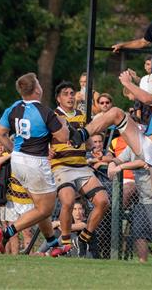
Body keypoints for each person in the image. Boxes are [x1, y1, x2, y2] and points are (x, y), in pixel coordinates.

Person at [71, 46, 152, 267]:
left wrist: (128, 83)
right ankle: (81, 134)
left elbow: (148, 98)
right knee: (116, 113)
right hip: (149, 144)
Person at [0, 72, 70, 254]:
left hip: (18, 161)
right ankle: (8, 232)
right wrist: (63, 122)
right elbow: (63, 137)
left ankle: (52, 244)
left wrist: (13, 149)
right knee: (46, 208)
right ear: (37, 90)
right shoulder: (45, 112)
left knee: (39, 206)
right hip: (36, 162)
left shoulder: (13, 107)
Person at [49, 81, 109, 258]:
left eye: (72, 93)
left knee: (103, 200)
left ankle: (84, 236)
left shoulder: (83, 116)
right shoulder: (52, 116)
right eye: (66, 93)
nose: (70, 96)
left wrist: (94, 149)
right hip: (61, 166)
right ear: (58, 98)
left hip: (82, 166)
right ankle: (66, 243)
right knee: (67, 202)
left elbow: (88, 141)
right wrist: (46, 149)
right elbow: (43, 137)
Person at [108, 145, 152, 264]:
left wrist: (120, 167)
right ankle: (143, 262)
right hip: (141, 197)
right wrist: (112, 164)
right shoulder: (131, 147)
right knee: (139, 232)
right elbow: (118, 159)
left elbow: (143, 162)